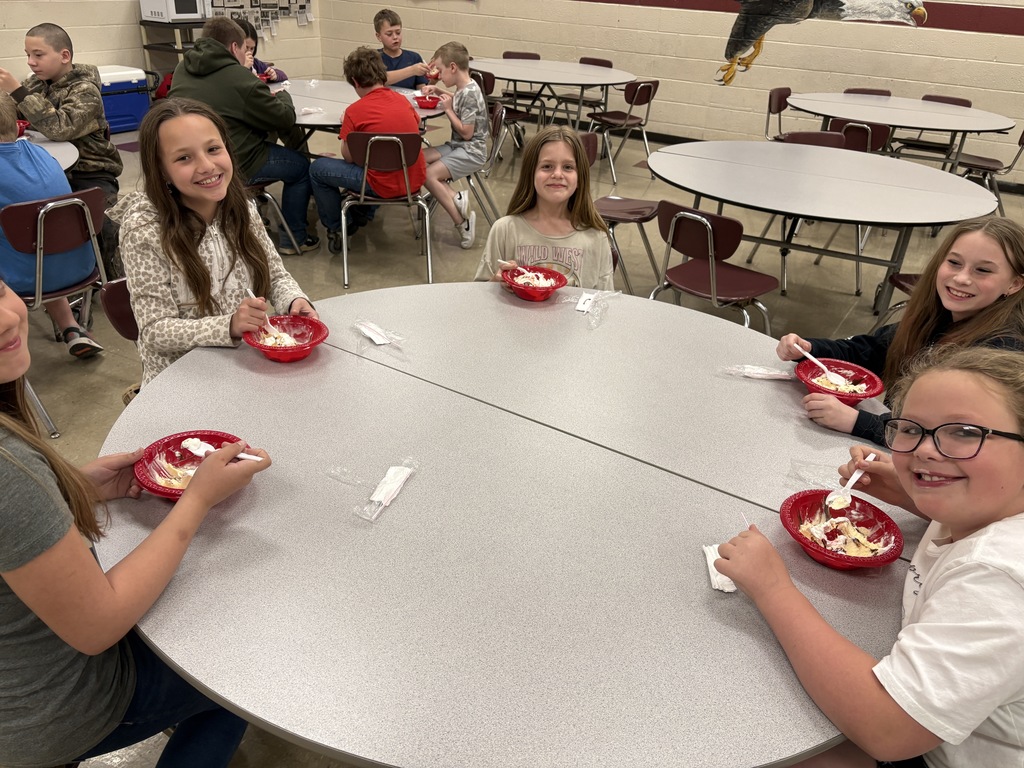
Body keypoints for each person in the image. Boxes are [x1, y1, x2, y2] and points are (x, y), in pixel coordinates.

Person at [0, 275, 270, 766]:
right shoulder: (8, 470)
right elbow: (98, 625)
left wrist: (71, 490)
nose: (5, 319)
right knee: (239, 671)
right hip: (47, 714)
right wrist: (198, 500)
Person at [717, 344, 1024, 768]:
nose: (926, 451)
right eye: (911, 428)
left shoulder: (999, 577)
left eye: (965, 433)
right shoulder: (992, 511)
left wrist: (772, 589)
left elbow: (889, 729)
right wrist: (914, 495)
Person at [109, 98, 318, 387]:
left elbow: (275, 275)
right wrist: (229, 325)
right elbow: (154, 331)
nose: (207, 166)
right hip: (181, 382)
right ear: (161, 169)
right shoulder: (144, 230)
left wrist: (294, 300)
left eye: (213, 149)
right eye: (184, 158)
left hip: (245, 368)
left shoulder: (242, 209)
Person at [776, 216, 1024, 446]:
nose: (961, 278)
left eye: (983, 270)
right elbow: (872, 351)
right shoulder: (938, 317)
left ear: (1014, 284)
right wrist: (810, 349)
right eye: (954, 263)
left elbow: (948, 439)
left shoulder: (1001, 353)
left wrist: (857, 422)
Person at [168, 17, 318, 255]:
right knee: (300, 166)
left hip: (189, 162)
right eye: (245, 49)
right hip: (239, 162)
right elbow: (284, 118)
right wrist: (282, 96)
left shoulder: (181, 69)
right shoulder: (239, 77)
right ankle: (295, 238)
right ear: (234, 48)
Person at [0, 22, 124, 280]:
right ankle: (52, 276)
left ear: (64, 56)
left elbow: (61, 128)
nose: (31, 62)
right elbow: (10, 116)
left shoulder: (85, 91)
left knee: (106, 228)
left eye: (38, 54)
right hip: (49, 170)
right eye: (27, 55)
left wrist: (18, 92)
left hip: (91, 172)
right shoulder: (36, 84)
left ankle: (115, 284)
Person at [0, 92, 103, 358]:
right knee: (35, 236)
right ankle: (71, 327)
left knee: (22, 242)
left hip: (23, 280)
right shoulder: (41, 153)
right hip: (80, 268)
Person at [309, 47, 426, 254]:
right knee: (375, 162)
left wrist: (347, 124)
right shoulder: (405, 102)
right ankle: (363, 213)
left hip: (381, 184)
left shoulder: (354, 111)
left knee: (317, 169)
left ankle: (339, 226)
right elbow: (416, 130)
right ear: (382, 74)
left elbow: (349, 157)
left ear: (355, 82)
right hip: (412, 181)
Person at [475, 125, 614, 290]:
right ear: (531, 173)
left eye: (568, 167)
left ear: (580, 177)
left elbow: (605, 302)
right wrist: (495, 285)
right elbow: (480, 295)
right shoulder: (505, 230)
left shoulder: (596, 238)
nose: (557, 174)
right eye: (547, 166)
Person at [420, 41, 487, 249]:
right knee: (418, 159)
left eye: (440, 70)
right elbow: (458, 100)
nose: (438, 75)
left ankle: (462, 222)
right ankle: (456, 197)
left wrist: (447, 109)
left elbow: (467, 133)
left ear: (452, 67)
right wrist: (440, 93)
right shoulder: (466, 86)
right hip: (458, 146)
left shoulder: (469, 93)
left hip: (471, 151)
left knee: (429, 175)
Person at [374, 8, 429, 90]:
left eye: (398, 32)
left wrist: (433, 81)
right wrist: (412, 70)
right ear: (379, 36)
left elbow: (422, 90)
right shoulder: (373, 58)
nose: (395, 37)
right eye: (389, 34)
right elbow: (378, 81)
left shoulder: (414, 57)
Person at [235, 19, 286, 83]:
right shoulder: (230, 67)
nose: (249, 52)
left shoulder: (255, 64)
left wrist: (274, 75)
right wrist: (244, 70)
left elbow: (283, 75)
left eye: (252, 48)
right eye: (246, 47)